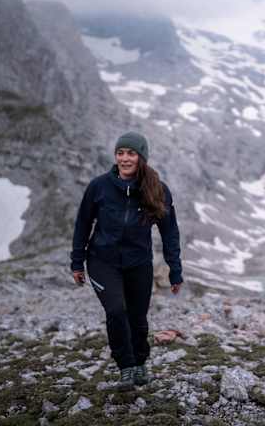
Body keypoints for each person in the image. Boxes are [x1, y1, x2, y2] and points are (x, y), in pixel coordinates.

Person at [70, 131, 183, 390]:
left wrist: (175, 271)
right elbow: (82, 225)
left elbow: (170, 233)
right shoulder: (99, 186)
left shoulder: (158, 190)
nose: (124, 158)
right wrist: (77, 262)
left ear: (141, 157)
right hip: (101, 260)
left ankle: (140, 362)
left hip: (138, 263)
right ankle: (126, 366)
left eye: (130, 153)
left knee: (138, 317)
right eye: (120, 153)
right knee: (116, 311)